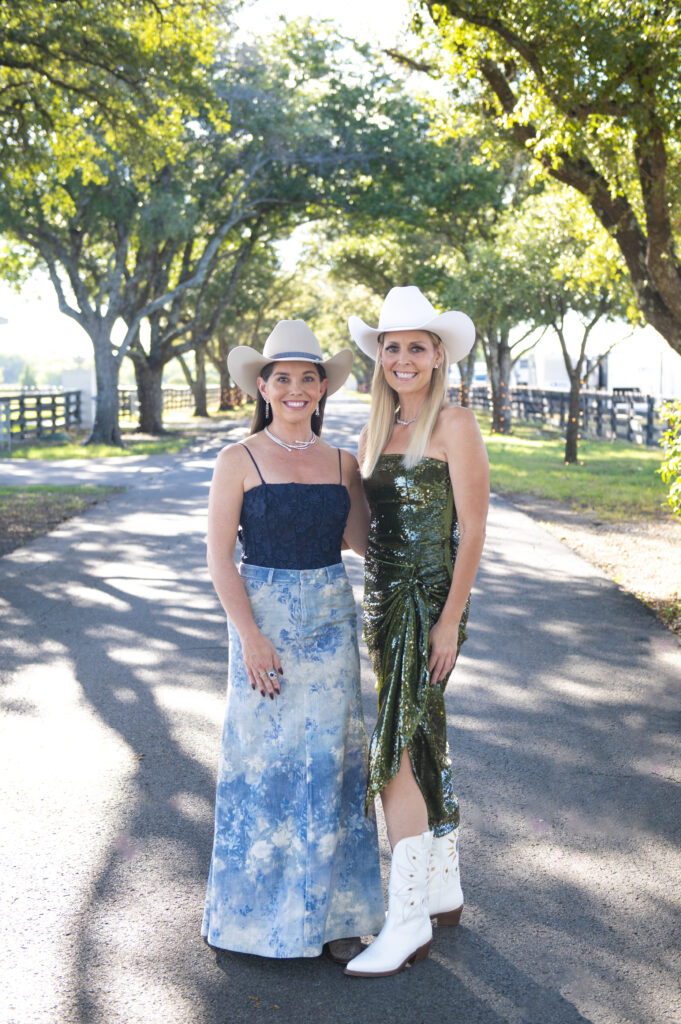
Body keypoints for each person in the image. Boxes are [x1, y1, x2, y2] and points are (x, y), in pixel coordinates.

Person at [201, 320, 385, 964]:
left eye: (310, 378)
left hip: (331, 616)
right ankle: (255, 919)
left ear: (324, 387)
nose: (298, 389)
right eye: (284, 378)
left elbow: (363, 543)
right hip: (264, 619)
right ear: (264, 385)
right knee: (264, 760)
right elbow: (220, 558)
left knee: (333, 763)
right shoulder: (239, 459)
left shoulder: (342, 462)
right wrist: (249, 636)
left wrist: (404, 472)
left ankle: (338, 917)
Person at [343, 286, 489, 978]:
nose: (402, 358)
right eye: (391, 346)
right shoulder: (373, 431)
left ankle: (405, 925)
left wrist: (450, 619)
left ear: (437, 356)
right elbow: (364, 534)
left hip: (425, 604)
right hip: (380, 601)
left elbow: (472, 530)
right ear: (379, 355)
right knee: (421, 733)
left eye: (415, 347)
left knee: (392, 749)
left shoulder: (453, 424)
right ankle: (442, 887)